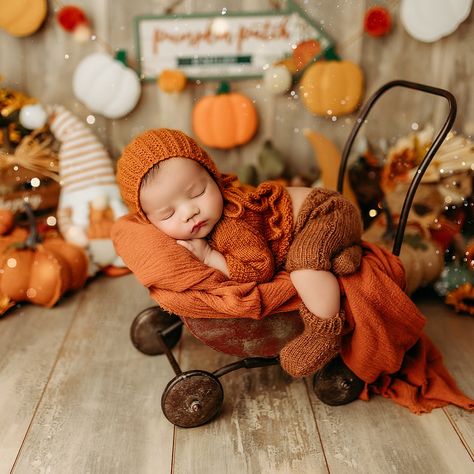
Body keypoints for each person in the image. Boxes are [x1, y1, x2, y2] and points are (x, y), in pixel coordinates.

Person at [116, 128, 363, 378]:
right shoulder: (198, 224)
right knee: (315, 255)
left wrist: (209, 257)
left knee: (304, 267)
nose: (189, 211)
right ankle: (341, 254)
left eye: (197, 193)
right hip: (323, 225)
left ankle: (326, 332)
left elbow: (260, 270)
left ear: (214, 176)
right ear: (148, 220)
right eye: (168, 214)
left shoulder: (231, 224)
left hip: (325, 213)